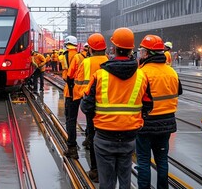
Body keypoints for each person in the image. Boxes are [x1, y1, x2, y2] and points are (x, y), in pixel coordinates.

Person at [80, 27, 151, 189]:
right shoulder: (141, 76)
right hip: (129, 137)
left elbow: (86, 106)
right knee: (125, 179)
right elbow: (148, 105)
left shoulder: (100, 75)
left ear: (113, 49)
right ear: (131, 50)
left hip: (104, 136)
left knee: (106, 182)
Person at [135, 35, 183, 189]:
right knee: (162, 159)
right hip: (167, 122)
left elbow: (136, 98)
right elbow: (179, 91)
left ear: (147, 53)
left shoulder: (142, 73)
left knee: (143, 160)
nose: (140, 53)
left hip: (146, 122)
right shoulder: (171, 72)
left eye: (142, 50)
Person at [74, 33, 109, 182]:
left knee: (93, 136)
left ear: (91, 49)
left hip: (91, 104)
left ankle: (95, 169)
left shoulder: (86, 62)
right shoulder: (109, 61)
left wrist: (78, 98)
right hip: (107, 105)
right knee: (105, 137)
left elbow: (78, 83)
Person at [61, 36, 81, 159]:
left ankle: (72, 147)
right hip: (80, 90)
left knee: (70, 120)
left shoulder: (66, 55)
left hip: (71, 91)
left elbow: (67, 75)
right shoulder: (80, 56)